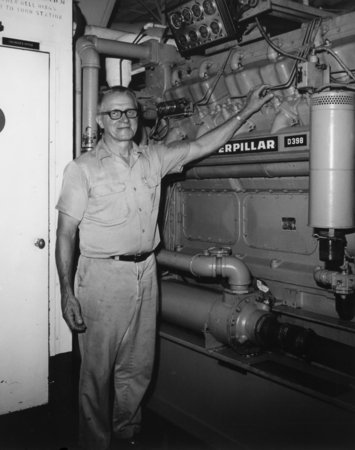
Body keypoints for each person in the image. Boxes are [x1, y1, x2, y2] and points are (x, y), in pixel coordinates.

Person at [55, 84, 273, 450]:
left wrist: (247, 111)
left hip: (146, 273)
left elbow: (203, 145)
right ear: (100, 120)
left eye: (129, 112)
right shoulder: (82, 169)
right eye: (114, 113)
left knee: (138, 366)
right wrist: (65, 292)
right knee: (97, 373)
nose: (123, 119)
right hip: (102, 277)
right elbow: (65, 234)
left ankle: (127, 435)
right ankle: (94, 443)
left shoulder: (153, 158)